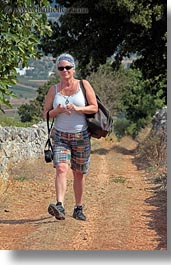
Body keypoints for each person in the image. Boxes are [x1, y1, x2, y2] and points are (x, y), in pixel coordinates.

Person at [43, 53, 98, 221]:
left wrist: (77, 109)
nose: (65, 70)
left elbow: (94, 107)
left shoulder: (84, 85)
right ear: (58, 70)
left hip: (81, 135)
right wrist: (57, 111)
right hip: (60, 136)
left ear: (73, 69)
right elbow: (45, 114)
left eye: (68, 67)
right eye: (61, 68)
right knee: (61, 168)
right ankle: (59, 205)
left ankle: (78, 207)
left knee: (78, 173)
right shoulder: (53, 90)